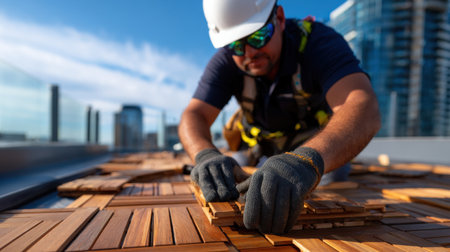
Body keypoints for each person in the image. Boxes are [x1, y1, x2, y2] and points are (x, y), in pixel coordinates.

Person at [178, 0, 381, 234]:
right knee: (232, 175)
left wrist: (307, 161)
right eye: (236, 44)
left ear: (280, 19)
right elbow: (194, 114)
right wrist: (204, 155)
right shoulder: (225, 62)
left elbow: (363, 106)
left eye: (258, 36)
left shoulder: (318, 44)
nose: (249, 53)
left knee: (333, 176)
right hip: (260, 147)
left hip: (313, 145)